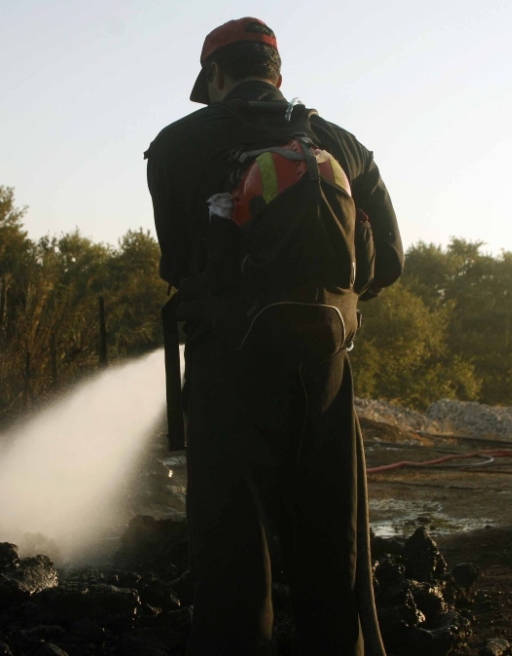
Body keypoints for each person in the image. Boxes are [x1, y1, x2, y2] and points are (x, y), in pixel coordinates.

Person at [145, 17, 403, 655]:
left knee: (234, 550)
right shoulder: (340, 144)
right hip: (325, 364)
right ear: (277, 73)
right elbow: (389, 261)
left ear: (216, 77)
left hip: (227, 367)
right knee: (331, 543)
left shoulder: (177, 145)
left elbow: (177, 262)